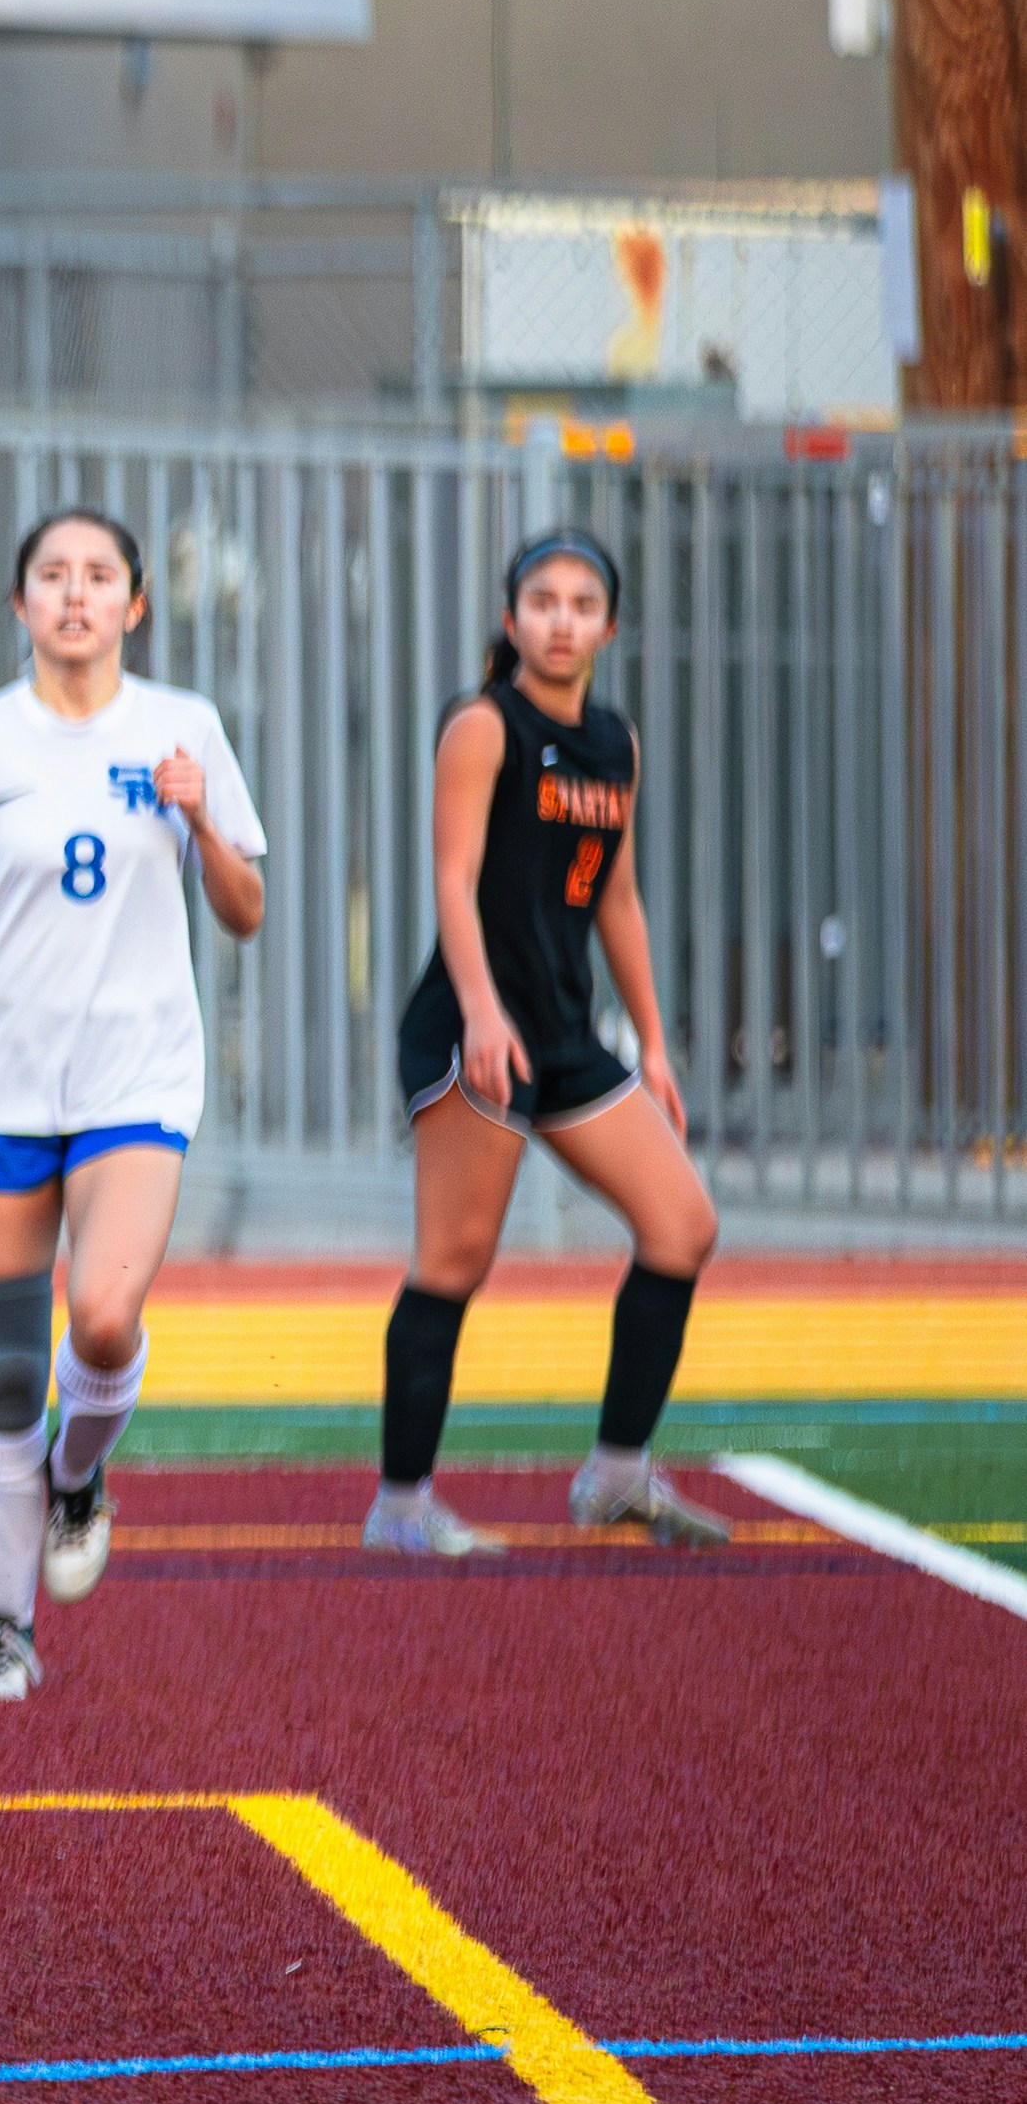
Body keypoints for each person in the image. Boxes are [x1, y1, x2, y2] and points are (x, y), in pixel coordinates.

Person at [0, 508, 267, 1703]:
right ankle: (1, 1624)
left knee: (101, 1316)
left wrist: (196, 815)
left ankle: (76, 1477)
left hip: (136, 1073)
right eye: (51, 575)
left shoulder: (184, 729)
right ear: (19, 602)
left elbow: (241, 908)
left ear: (134, 604)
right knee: (7, 1370)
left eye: (98, 577)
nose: (74, 594)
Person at [368, 531, 726, 1556]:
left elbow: (614, 895)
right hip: (472, 1025)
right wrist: (481, 1010)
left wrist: (652, 1041)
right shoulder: (483, 726)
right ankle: (399, 1504)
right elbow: (451, 878)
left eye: (580, 603)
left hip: (566, 1034)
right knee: (455, 1255)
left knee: (681, 1224)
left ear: (608, 625)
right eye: (540, 599)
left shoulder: (617, 740)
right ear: (510, 614)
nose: (560, 618)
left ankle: (615, 1476)